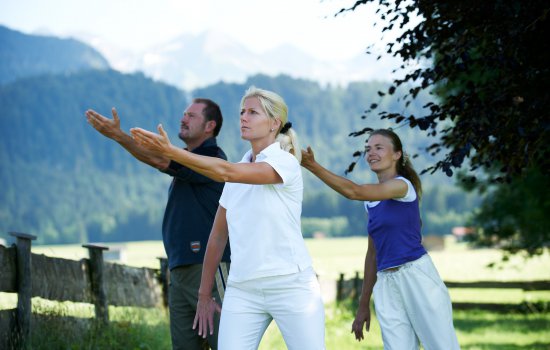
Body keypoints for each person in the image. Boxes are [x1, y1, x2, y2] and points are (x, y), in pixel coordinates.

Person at [130, 86, 325, 350]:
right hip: (243, 289)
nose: (243, 117)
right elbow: (218, 236)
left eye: (253, 112)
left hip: (291, 284)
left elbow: (226, 172)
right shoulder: (237, 170)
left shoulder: (284, 163)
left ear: (274, 123)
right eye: (242, 112)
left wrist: (172, 151)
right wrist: (203, 295)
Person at [85, 99, 231, 350]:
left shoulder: (211, 158)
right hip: (180, 269)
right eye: (183, 113)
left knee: (227, 345)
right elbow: (163, 160)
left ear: (210, 126)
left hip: (209, 269)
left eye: (192, 116)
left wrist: (119, 136)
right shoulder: (191, 160)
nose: (183, 119)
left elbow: (160, 160)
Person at [301, 129, 460, 349]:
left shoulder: (403, 186)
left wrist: (313, 166)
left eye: (378, 147)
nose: (371, 153)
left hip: (416, 276)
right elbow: (373, 254)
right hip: (386, 283)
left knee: (442, 346)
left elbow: (354, 191)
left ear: (396, 155)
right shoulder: (371, 202)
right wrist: (363, 304)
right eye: (367, 149)